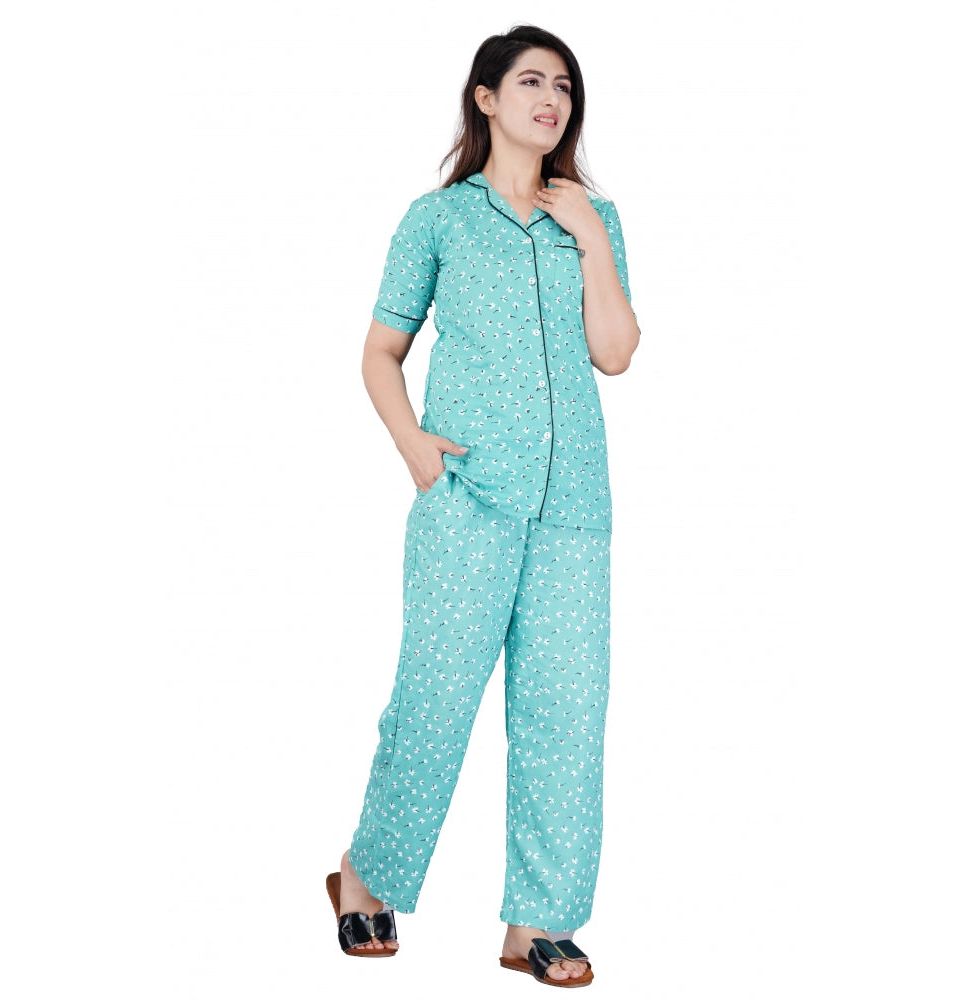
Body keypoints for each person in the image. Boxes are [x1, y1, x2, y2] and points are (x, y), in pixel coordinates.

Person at [325, 24, 640, 988]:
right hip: (467, 499)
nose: (551, 99)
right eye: (531, 81)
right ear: (487, 98)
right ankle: (365, 879)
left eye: (565, 87)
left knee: (566, 716)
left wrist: (591, 238)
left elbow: (615, 352)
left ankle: (536, 923)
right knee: (434, 701)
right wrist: (416, 449)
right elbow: (380, 353)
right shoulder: (437, 221)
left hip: (573, 505)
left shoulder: (595, 216)